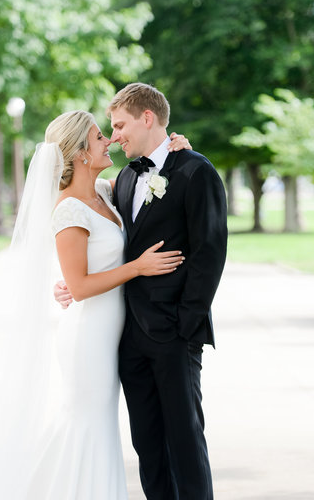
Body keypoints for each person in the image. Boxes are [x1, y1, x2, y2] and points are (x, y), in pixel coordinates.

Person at [0, 109, 190, 500]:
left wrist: (179, 151)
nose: (108, 140)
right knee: (86, 423)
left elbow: (149, 183)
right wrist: (137, 268)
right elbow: (77, 286)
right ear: (78, 153)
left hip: (113, 330)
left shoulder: (106, 192)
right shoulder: (68, 210)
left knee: (99, 425)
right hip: (88, 335)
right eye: (97, 137)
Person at [56, 83, 228, 499]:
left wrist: (185, 326)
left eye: (119, 125)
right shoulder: (122, 182)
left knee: (185, 445)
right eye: (108, 130)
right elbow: (97, 242)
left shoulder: (194, 171)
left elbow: (209, 254)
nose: (114, 136)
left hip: (174, 335)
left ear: (146, 118)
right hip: (127, 339)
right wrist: (72, 281)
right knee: (148, 449)